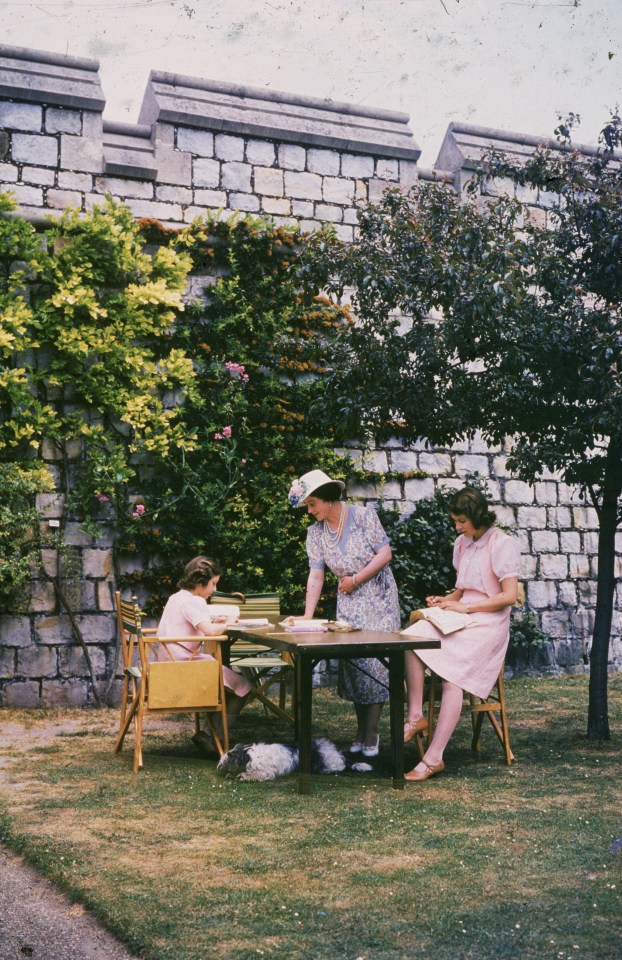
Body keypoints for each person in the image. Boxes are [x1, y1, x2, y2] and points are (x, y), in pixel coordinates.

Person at [403, 487, 521, 781]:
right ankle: (416, 716)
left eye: (461, 521)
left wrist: (466, 608)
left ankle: (434, 757)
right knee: (410, 637)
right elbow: (462, 587)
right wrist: (446, 601)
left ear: (478, 516)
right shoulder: (462, 543)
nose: (457, 527)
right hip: (462, 614)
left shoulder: (502, 544)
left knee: (451, 677)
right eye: (455, 521)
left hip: (488, 624)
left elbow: (507, 597)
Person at [288, 468, 401, 757]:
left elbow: (385, 554)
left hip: (377, 597)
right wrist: (307, 614)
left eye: (312, 504)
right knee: (356, 666)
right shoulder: (315, 533)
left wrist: (357, 579)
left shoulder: (362, 516)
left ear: (327, 499)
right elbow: (316, 575)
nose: (309, 510)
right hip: (349, 603)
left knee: (376, 664)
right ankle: (360, 733)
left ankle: (371, 737)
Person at [157, 556, 252, 756]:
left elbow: (195, 621)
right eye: (213, 584)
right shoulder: (194, 601)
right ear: (200, 584)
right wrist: (230, 622)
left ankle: (210, 735)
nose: (214, 590)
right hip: (187, 669)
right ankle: (213, 736)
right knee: (244, 686)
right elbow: (209, 631)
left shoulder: (177, 598)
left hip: (168, 666)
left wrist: (217, 620)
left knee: (224, 680)